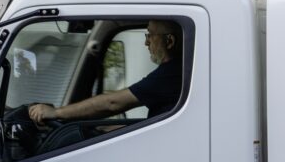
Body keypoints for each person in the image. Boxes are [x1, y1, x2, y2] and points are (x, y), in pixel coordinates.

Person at [28, 20, 183, 125]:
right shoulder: (176, 71)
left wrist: (56, 112)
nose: (146, 42)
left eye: (150, 35)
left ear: (169, 41)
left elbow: (112, 103)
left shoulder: (172, 74)